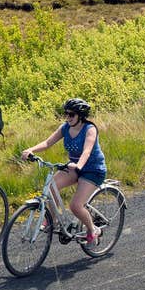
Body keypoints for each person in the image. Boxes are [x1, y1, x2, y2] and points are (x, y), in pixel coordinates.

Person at [20, 97, 107, 244]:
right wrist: (31, 150)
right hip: (74, 166)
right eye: (65, 114)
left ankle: (93, 230)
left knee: (75, 206)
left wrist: (78, 165)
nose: (67, 117)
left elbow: (86, 151)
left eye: (71, 114)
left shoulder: (90, 129)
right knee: (51, 187)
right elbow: (48, 143)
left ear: (81, 116)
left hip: (93, 170)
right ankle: (53, 221)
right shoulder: (65, 127)